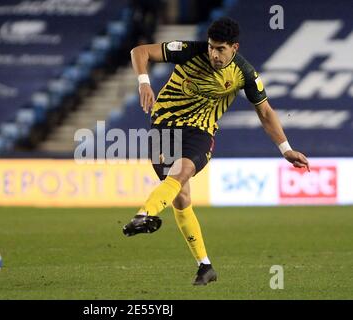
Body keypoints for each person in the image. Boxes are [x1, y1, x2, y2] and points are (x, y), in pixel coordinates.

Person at [123, 17, 310, 286]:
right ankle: (205, 267)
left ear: (234, 48)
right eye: (211, 47)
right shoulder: (190, 51)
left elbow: (265, 112)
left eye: (220, 49)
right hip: (163, 128)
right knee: (180, 198)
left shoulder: (244, 73)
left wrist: (286, 149)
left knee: (182, 171)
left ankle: (143, 215)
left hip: (200, 132)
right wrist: (143, 82)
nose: (214, 53)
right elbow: (140, 51)